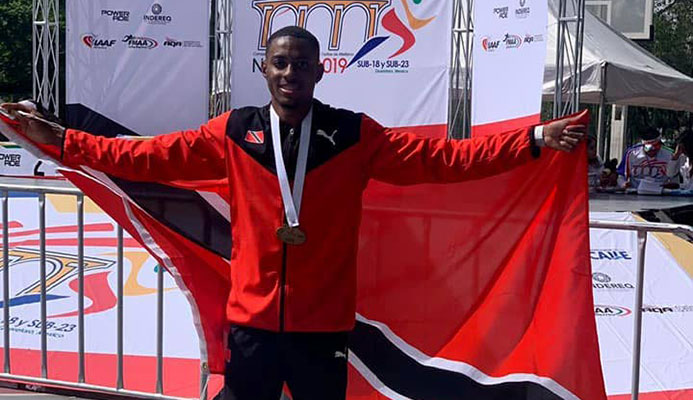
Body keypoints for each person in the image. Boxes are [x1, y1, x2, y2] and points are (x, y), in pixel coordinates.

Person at [2, 26, 588, 400]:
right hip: (253, 321)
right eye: (280, 63)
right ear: (265, 69)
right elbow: (144, 157)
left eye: (301, 64)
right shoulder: (234, 132)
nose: (290, 74)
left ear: (318, 71)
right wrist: (59, 140)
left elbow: (444, 159)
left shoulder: (354, 135)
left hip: (322, 327)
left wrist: (532, 138)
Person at [617, 127, 675, 192]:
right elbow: (621, 175)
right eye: (650, 148)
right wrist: (623, 184)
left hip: (660, 192)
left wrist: (671, 185)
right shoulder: (631, 154)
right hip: (636, 193)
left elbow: (674, 179)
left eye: (656, 146)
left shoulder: (670, 155)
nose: (653, 150)